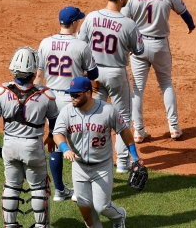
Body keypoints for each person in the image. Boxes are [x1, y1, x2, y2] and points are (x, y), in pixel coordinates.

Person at [121, 0, 196, 143]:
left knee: (137, 89)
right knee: (166, 84)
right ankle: (174, 128)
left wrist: (128, 43)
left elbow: (123, 20)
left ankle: (138, 132)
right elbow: (185, 13)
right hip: (160, 45)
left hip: (138, 45)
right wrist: (191, 26)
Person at [53, 76, 141, 228]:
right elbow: (57, 134)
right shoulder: (67, 111)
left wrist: (135, 156)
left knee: (102, 206)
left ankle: (120, 216)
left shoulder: (107, 110)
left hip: (102, 167)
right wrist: (65, 148)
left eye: (76, 94)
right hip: (79, 167)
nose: (72, 97)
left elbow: (124, 132)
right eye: (71, 94)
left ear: (88, 93)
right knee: (84, 206)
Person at [0, 46, 59, 228]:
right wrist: (50, 137)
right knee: (38, 188)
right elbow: (54, 121)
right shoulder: (46, 95)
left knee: (11, 186)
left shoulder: (1, 91)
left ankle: (10, 225)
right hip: (33, 147)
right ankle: (41, 226)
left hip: (10, 146)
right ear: (34, 71)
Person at [77, 0, 144, 173]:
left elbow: (81, 45)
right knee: (122, 118)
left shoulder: (91, 17)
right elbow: (139, 50)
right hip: (116, 74)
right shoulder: (128, 23)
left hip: (94, 75)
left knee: (93, 115)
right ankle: (123, 163)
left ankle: (91, 157)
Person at [34, 6, 99, 202]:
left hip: (50, 98)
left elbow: (38, 76)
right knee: (79, 143)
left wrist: (37, 101)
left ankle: (59, 191)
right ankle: (79, 191)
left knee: (55, 141)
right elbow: (94, 74)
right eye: (78, 20)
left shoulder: (45, 43)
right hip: (73, 100)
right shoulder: (81, 46)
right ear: (73, 23)